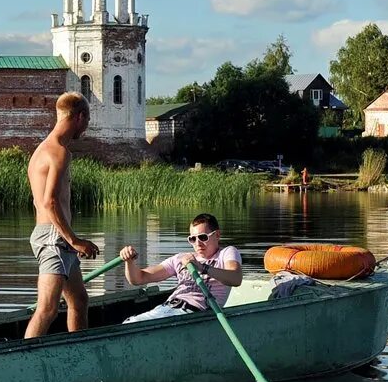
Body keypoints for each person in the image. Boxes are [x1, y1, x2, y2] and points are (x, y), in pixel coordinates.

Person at [25, 92, 100, 339]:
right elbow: (49, 202)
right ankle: (23, 361)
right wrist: (74, 240)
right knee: (47, 308)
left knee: (79, 300)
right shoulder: (58, 152)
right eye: (87, 121)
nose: (86, 127)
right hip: (54, 239)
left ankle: (79, 350)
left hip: (57, 237)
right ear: (80, 117)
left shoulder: (40, 150)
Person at [116, 214, 244, 322]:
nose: (198, 243)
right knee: (129, 323)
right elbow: (138, 279)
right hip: (167, 308)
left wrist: (202, 268)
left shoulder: (227, 253)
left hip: (194, 313)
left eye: (203, 237)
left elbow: (236, 278)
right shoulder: (181, 258)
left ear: (217, 235)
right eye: (192, 239)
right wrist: (129, 261)